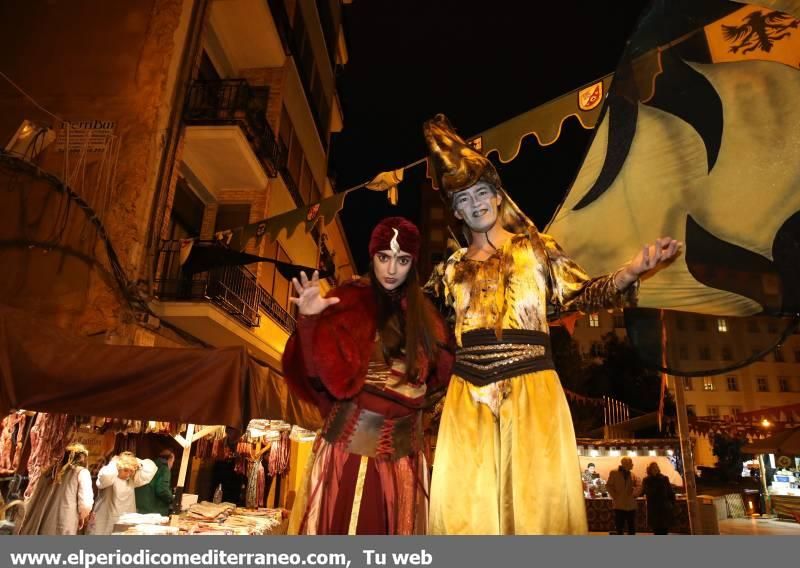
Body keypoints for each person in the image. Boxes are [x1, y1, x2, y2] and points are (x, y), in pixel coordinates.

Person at [422, 114, 681, 534]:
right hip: (467, 393)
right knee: (467, 505)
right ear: (455, 211)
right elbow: (416, 320)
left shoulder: (536, 249)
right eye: (464, 199)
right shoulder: (448, 270)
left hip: (531, 389)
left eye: (482, 192)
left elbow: (581, 293)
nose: (476, 204)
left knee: (536, 503)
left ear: (498, 195)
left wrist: (631, 271)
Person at [282, 217, 453, 535]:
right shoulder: (345, 301)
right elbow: (315, 379)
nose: (391, 269)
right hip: (346, 458)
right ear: (372, 257)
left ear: (412, 264)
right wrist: (309, 322)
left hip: (404, 461)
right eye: (383, 257)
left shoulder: (429, 320)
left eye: (401, 260)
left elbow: (438, 386)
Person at [19, 443, 93, 535]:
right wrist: (82, 516)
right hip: (63, 523)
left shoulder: (50, 470)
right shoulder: (82, 472)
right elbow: (86, 505)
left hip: (41, 521)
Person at [86, 451, 157, 535]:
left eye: (131, 471)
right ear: (118, 467)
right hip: (105, 519)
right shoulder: (110, 477)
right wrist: (115, 462)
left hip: (124, 520)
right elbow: (106, 475)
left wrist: (134, 461)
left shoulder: (132, 480)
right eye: (125, 470)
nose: (128, 474)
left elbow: (151, 468)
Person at [606, 457, 641, 535]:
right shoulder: (614, 473)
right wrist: (615, 496)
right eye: (631, 463)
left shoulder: (632, 474)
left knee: (631, 527)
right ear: (625, 464)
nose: (632, 464)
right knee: (619, 527)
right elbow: (608, 485)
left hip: (631, 505)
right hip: (619, 505)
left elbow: (639, 486)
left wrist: (635, 493)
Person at [135, 449, 174, 516]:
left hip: (141, 508)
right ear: (170, 460)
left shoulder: (149, 466)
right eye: (173, 462)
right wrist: (172, 500)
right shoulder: (164, 469)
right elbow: (162, 490)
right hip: (154, 510)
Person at [641, 462, 675, 534]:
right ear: (650, 470)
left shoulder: (664, 478)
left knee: (665, 530)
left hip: (664, 508)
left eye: (656, 467)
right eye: (653, 468)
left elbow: (670, 492)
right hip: (654, 509)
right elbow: (646, 492)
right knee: (656, 530)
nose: (655, 469)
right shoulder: (647, 480)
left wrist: (671, 504)